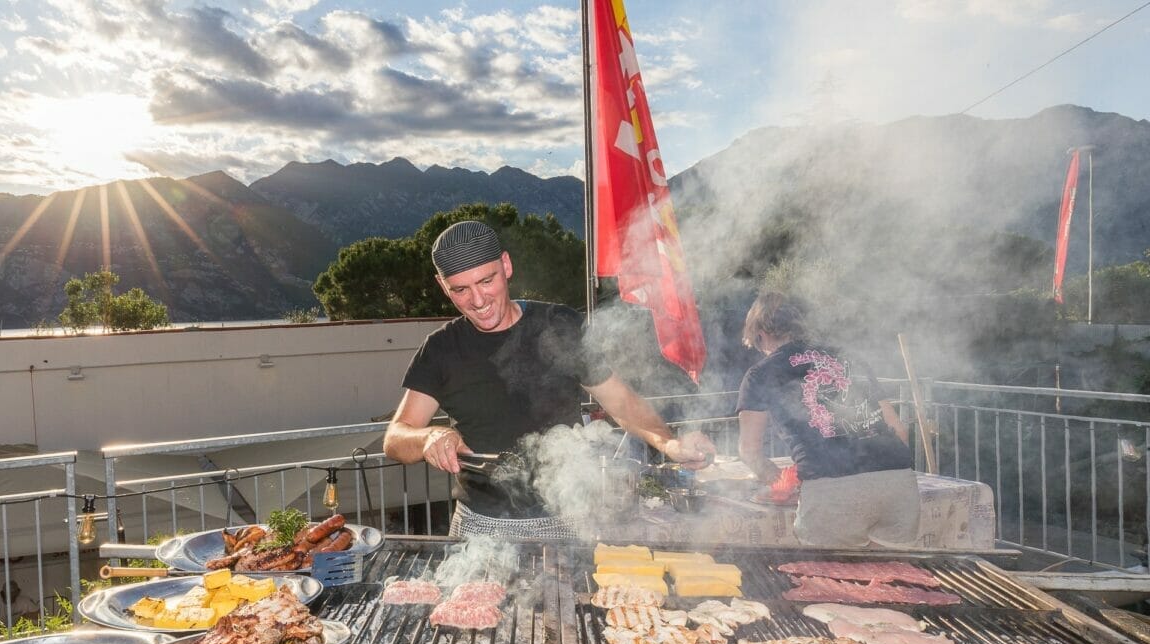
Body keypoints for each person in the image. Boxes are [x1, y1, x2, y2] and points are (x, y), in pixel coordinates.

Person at [383, 219, 715, 539]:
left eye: (487, 281)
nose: (478, 300)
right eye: (461, 289)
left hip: (565, 515)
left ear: (506, 265)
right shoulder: (441, 349)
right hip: (480, 523)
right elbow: (396, 437)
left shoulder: (558, 324)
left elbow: (622, 403)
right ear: (443, 286)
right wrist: (428, 437)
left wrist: (669, 442)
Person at [736, 291, 918, 548]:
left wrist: (782, 486)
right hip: (899, 481)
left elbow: (750, 451)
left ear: (760, 333)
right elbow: (899, 430)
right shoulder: (849, 358)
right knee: (896, 579)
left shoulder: (759, 374)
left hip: (833, 490)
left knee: (831, 582)